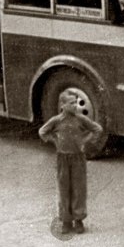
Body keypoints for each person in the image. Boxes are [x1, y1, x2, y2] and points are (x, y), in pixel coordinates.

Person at [38, 89, 104, 234]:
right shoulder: (56, 121)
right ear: (62, 105)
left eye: (76, 102)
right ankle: (66, 221)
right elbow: (43, 132)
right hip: (62, 158)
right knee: (64, 189)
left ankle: (78, 220)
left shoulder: (81, 119)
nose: (75, 106)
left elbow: (97, 129)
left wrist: (85, 141)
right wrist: (54, 140)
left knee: (78, 189)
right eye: (71, 103)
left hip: (78, 158)